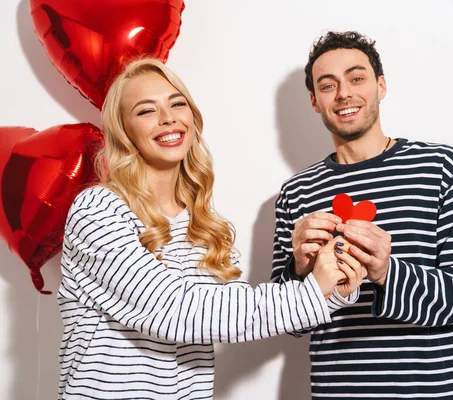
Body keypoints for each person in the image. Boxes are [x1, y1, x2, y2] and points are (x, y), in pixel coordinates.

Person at [56, 58, 366, 399]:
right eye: (146, 111)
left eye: (178, 104)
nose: (168, 118)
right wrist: (311, 291)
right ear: (123, 131)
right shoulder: (98, 210)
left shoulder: (205, 228)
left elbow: (227, 312)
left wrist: (332, 284)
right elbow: (177, 310)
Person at [270, 31, 453, 399]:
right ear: (314, 101)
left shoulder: (440, 167)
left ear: (381, 86)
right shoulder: (297, 193)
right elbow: (285, 321)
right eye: (328, 85)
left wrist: (388, 272)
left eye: (357, 78)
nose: (344, 94)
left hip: (438, 392)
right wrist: (299, 270)